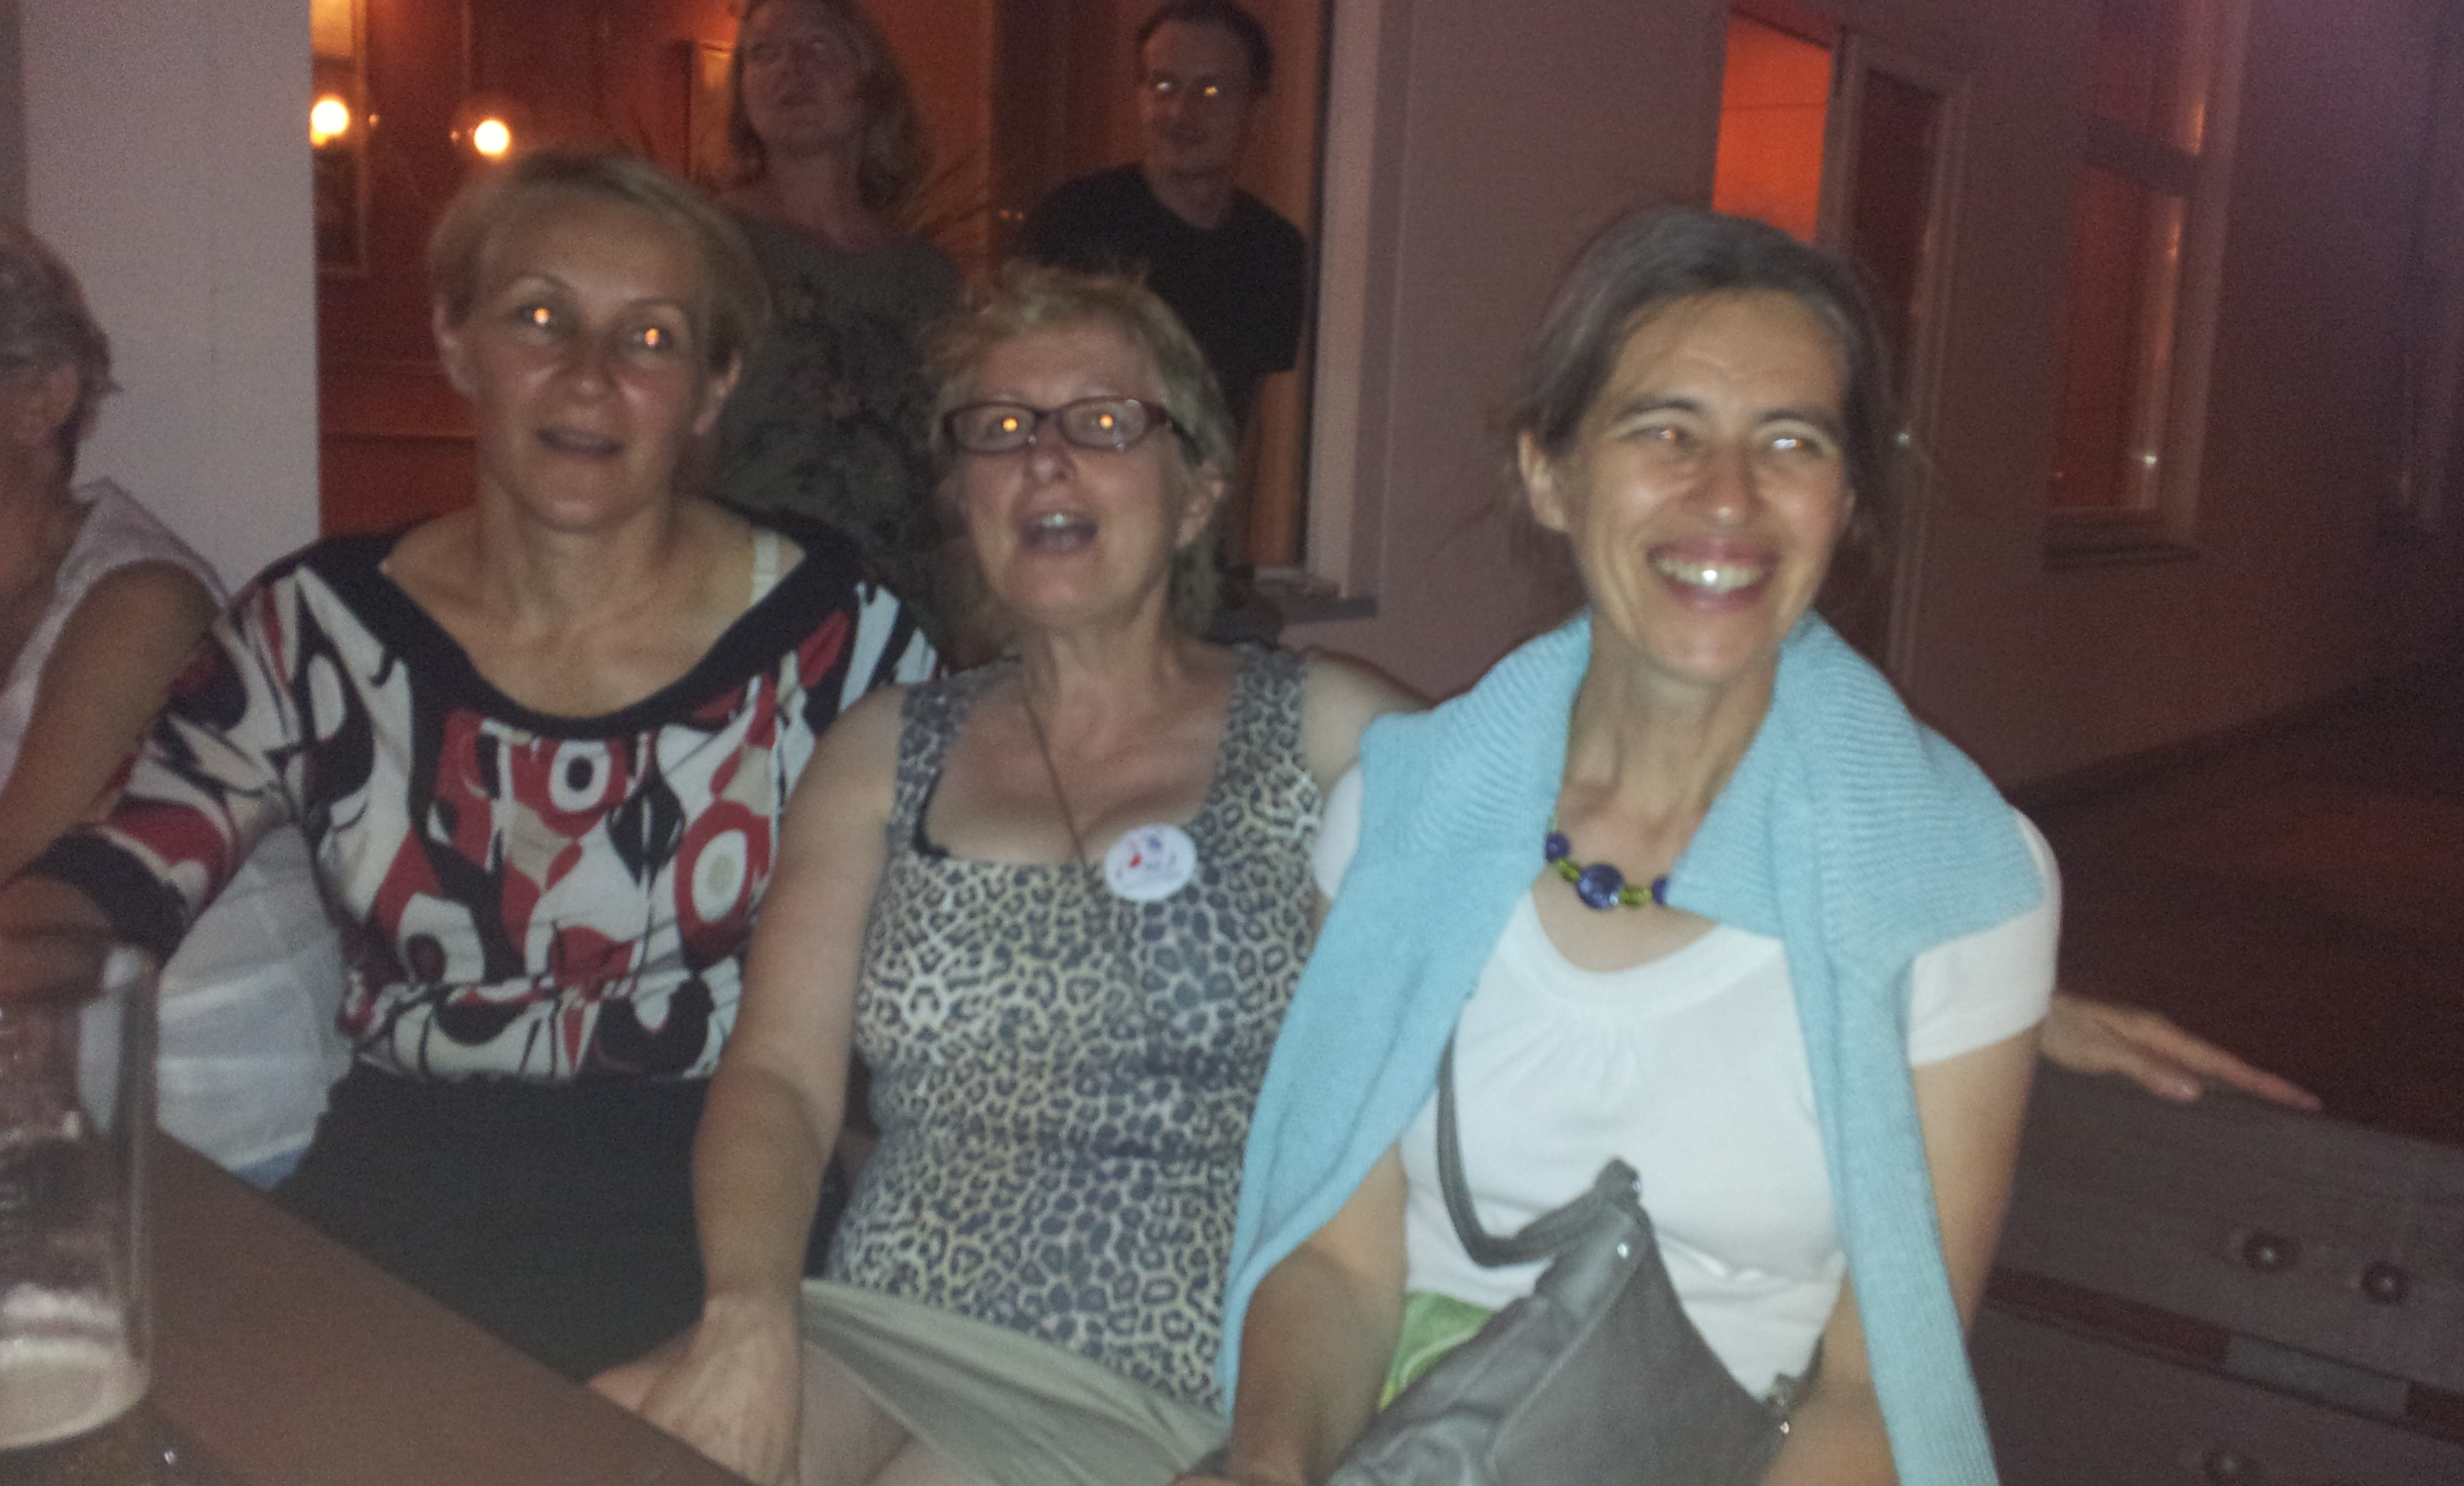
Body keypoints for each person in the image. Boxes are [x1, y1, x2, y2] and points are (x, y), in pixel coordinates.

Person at [0, 151, 932, 1378]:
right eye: (539, 317)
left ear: (713, 389)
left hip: (719, 1209)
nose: (589, 373)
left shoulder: (840, 639)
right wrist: (33, 995)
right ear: (456, 340)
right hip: (400, 1199)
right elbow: (109, 874)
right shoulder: (314, 628)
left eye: (651, 337)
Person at [1200, 209, 2056, 1486]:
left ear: (1844, 501)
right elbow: (1334, 1261)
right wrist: (1264, 1471)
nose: (1728, 496)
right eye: (1664, 430)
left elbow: (1872, 1390)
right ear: (1550, 475)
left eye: (1790, 440)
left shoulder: (1956, 881)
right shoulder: (1402, 819)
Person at [596, 264, 1413, 1486]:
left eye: (1102, 421)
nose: (1043, 460)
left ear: (1197, 490)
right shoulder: (884, 749)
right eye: (1001, 427)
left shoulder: (1329, 731)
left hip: (1158, 1365)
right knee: (616, 1433)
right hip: (882, 1320)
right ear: (964, 494)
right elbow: (776, 1079)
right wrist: (749, 1315)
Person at [0, 220, 346, 1187]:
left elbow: (23, 888)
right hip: (60, 1114)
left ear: (43, 398)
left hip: (226, 1131)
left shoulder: (143, 603)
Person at [712, 0, 963, 640]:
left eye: (818, 47)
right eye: (764, 53)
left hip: (907, 614)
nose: (790, 69)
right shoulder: (704, 243)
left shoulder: (927, 275)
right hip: (746, 606)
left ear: (873, 81)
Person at [1014, 0, 1305, 433]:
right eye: (1163, 85)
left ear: (1257, 108)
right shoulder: (1075, 222)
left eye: (1210, 91)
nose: (1180, 112)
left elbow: (1256, 421)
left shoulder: (1273, 250)